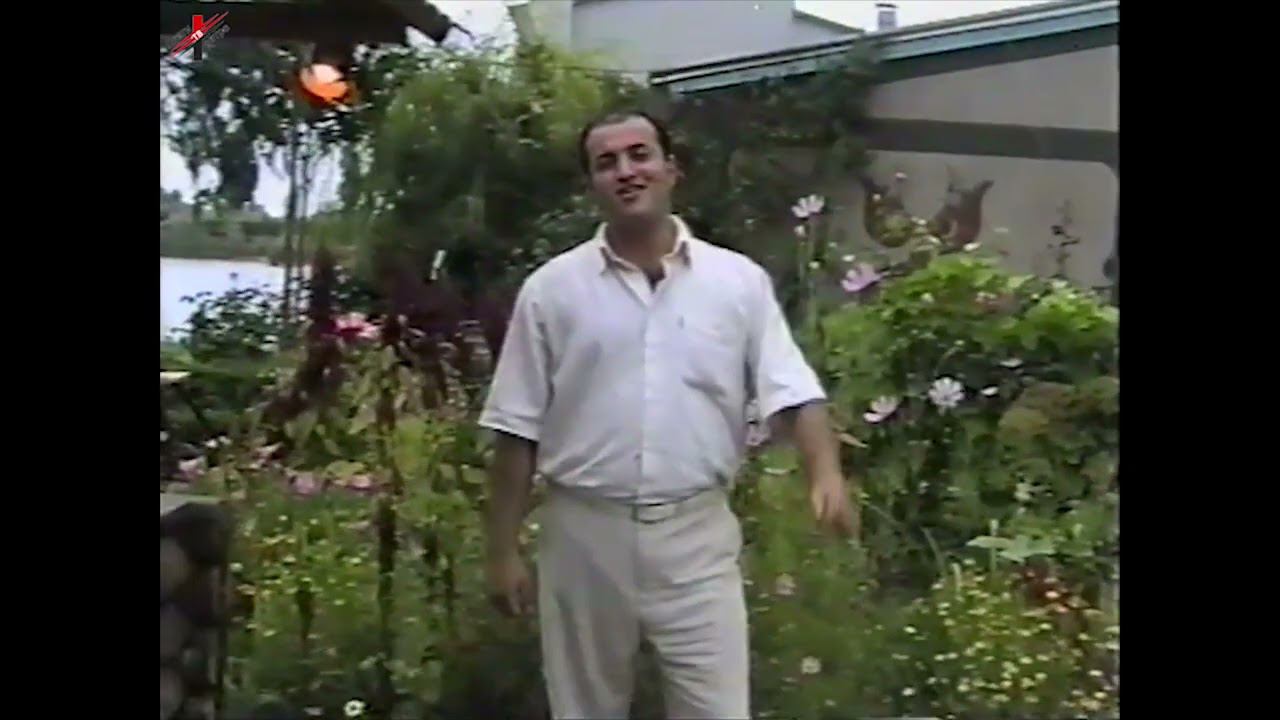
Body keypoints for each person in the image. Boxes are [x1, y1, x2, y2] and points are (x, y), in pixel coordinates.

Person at [478, 109, 859, 720]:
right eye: (607, 162)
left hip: (696, 536)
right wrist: (502, 551)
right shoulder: (552, 292)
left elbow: (792, 390)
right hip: (584, 537)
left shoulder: (737, 283)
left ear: (671, 169)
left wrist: (826, 473)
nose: (626, 171)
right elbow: (515, 429)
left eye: (640, 154)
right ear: (592, 185)